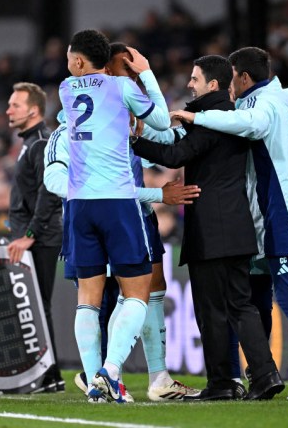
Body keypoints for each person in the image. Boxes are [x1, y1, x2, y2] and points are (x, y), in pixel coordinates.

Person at [170, 47, 288, 400]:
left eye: (232, 76)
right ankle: (254, 374)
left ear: (243, 77)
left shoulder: (267, 103)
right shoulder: (256, 102)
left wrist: (196, 119)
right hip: (267, 215)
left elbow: (252, 125)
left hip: (287, 212)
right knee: (256, 295)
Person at [132, 54, 284, 401]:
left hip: (212, 232)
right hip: (237, 226)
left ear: (213, 85)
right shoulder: (230, 119)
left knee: (213, 310)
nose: (189, 84)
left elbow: (174, 157)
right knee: (241, 305)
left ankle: (223, 383)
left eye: (195, 79)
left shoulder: (209, 121)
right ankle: (265, 373)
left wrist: (132, 139)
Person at [58, 29, 171, 403]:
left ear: (77, 61)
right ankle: (111, 371)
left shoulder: (65, 89)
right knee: (137, 291)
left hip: (78, 206)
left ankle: (96, 386)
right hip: (117, 202)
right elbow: (162, 123)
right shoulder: (121, 88)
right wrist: (147, 73)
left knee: (87, 300)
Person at [5, 82, 64, 393]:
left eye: (15, 105)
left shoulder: (41, 141)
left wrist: (30, 234)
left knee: (37, 307)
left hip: (41, 237)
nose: (8, 110)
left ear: (33, 110)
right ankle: (46, 375)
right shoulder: (31, 142)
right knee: (33, 306)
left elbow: (49, 190)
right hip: (33, 235)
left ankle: (48, 375)